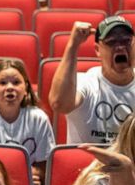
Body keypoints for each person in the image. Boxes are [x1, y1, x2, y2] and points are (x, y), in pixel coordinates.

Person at [50, 16, 135, 144]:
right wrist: (73, 45)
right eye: (111, 42)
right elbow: (59, 104)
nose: (120, 47)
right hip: (87, 163)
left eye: (126, 41)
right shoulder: (85, 82)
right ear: (97, 50)